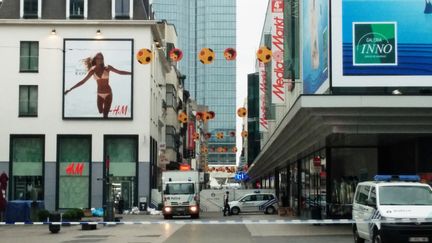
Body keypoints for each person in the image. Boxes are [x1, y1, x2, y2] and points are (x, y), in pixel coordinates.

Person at [64, 52, 131, 118]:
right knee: (100, 111)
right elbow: (83, 81)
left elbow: (119, 72)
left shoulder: (107, 68)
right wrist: (70, 89)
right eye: (98, 58)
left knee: (105, 116)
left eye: (101, 58)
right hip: (99, 94)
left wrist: (131, 73)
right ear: (95, 59)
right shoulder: (92, 70)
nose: (100, 59)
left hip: (108, 93)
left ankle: (106, 114)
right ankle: (107, 110)